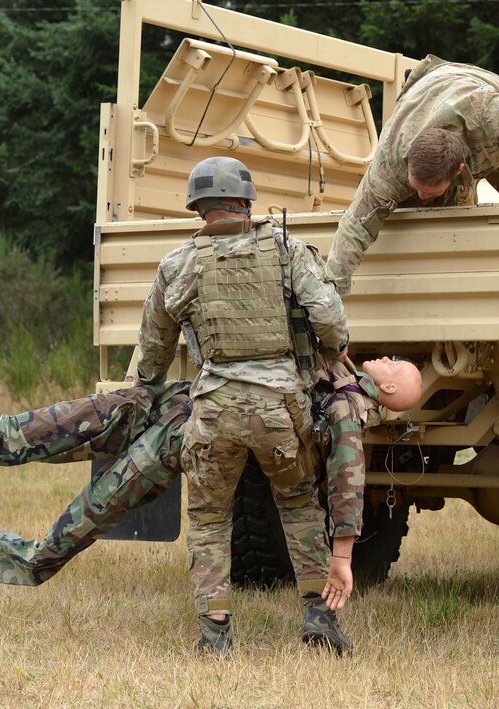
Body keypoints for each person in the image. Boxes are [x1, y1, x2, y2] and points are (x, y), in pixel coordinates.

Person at [0, 353, 422, 646]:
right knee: (101, 427)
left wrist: (344, 554)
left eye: (396, 364)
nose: (389, 358)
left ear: (392, 386)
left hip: (199, 415)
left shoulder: (346, 404)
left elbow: (347, 481)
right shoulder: (341, 378)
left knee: (99, 446)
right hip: (203, 411)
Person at [136, 155, 350, 658]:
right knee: (298, 504)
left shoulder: (177, 264)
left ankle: (215, 636)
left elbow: (153, 350)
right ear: (247, 201)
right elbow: (329, 319)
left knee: (210, 518)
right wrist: (334, 352)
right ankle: (319, 618)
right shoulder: (286, 250)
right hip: (280, 413)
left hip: (213, 412)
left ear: (198, 207)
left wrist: (147, 391)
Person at [324, 54, 499, 295]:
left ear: (459, 171)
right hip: (430, 87)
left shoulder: (494, 120)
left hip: (481, 95)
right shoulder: (389, 165)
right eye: (416, 185)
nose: (420, 195)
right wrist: (333, 297)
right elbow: (354, 228)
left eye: (429, 190)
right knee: (413, 207)